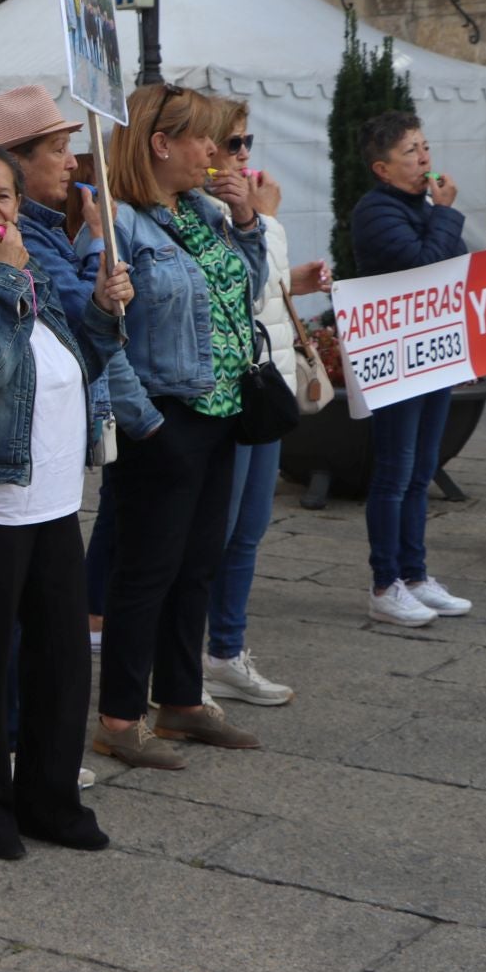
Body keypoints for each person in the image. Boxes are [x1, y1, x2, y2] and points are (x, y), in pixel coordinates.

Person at [0, 142, 133, 859]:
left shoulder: (29, 271)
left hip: (54, 498)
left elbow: (79, 362)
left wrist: (102, 312)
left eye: (3, 195)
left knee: (62, 660)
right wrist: (6, 282)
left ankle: (50, 801)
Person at [90, 83, 268, 771]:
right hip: (164, 416)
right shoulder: (118, 223)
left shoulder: (201, 211)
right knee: (146, 571)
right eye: (203, 138)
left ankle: (182, 699)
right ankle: (119, 716)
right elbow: (103, 335)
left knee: (197, 565)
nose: (215, 151)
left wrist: (247, 222)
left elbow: (246, 293)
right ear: (160, 144)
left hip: (219, 412)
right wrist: (146, 424)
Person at [200, 102, 332, 705]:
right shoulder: (204, 214)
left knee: (248, 531)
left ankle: (226, 652)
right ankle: (184, 663)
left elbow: (265, 293)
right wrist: (258, 219)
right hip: (229, 393)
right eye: (232, 143)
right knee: (216, 534)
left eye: (245, 140)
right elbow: (237, 293)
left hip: (265, 387)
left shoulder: (248, 212)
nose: (244, 153)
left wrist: (295, 276)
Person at [349, 111, 477, 624]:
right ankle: (386, 584)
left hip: (430, 356)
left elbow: (451, 263)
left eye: (424, 147)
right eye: (410, 151)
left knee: (422, 469)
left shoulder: (419, 206)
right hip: (395, 359)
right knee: (395, 472)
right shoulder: (375, 211)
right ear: (382, 168)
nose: (424, 158)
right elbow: (424, 263)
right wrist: (445, 213)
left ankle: (416, 575)